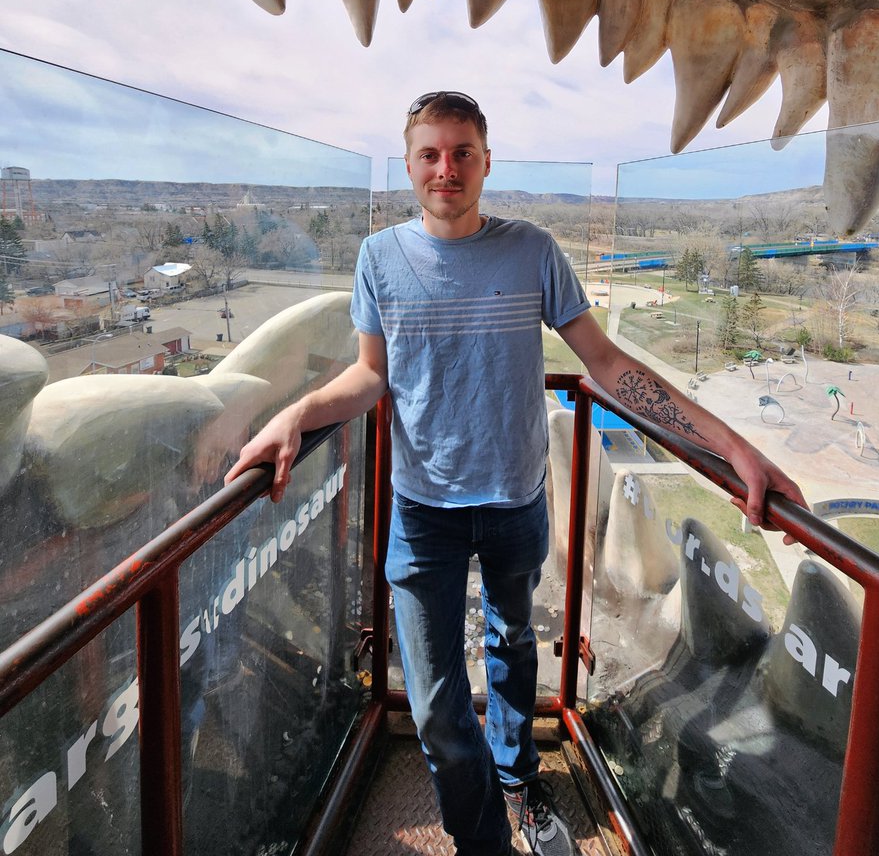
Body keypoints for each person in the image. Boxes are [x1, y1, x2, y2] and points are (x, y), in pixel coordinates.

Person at [225, 91, 808, 856]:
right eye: (430, 154)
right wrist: (294, 417)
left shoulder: (531, 250)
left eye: (462, 152)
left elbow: (606, 365)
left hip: (515, 501)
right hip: (422, 510)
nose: (447, 168)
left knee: (511, 643)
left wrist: (729, 446)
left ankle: (519, 778)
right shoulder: (380, 259)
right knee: (434, 705)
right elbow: (369, 378)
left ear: (487, 162)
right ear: (409, 167)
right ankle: (485, 841)